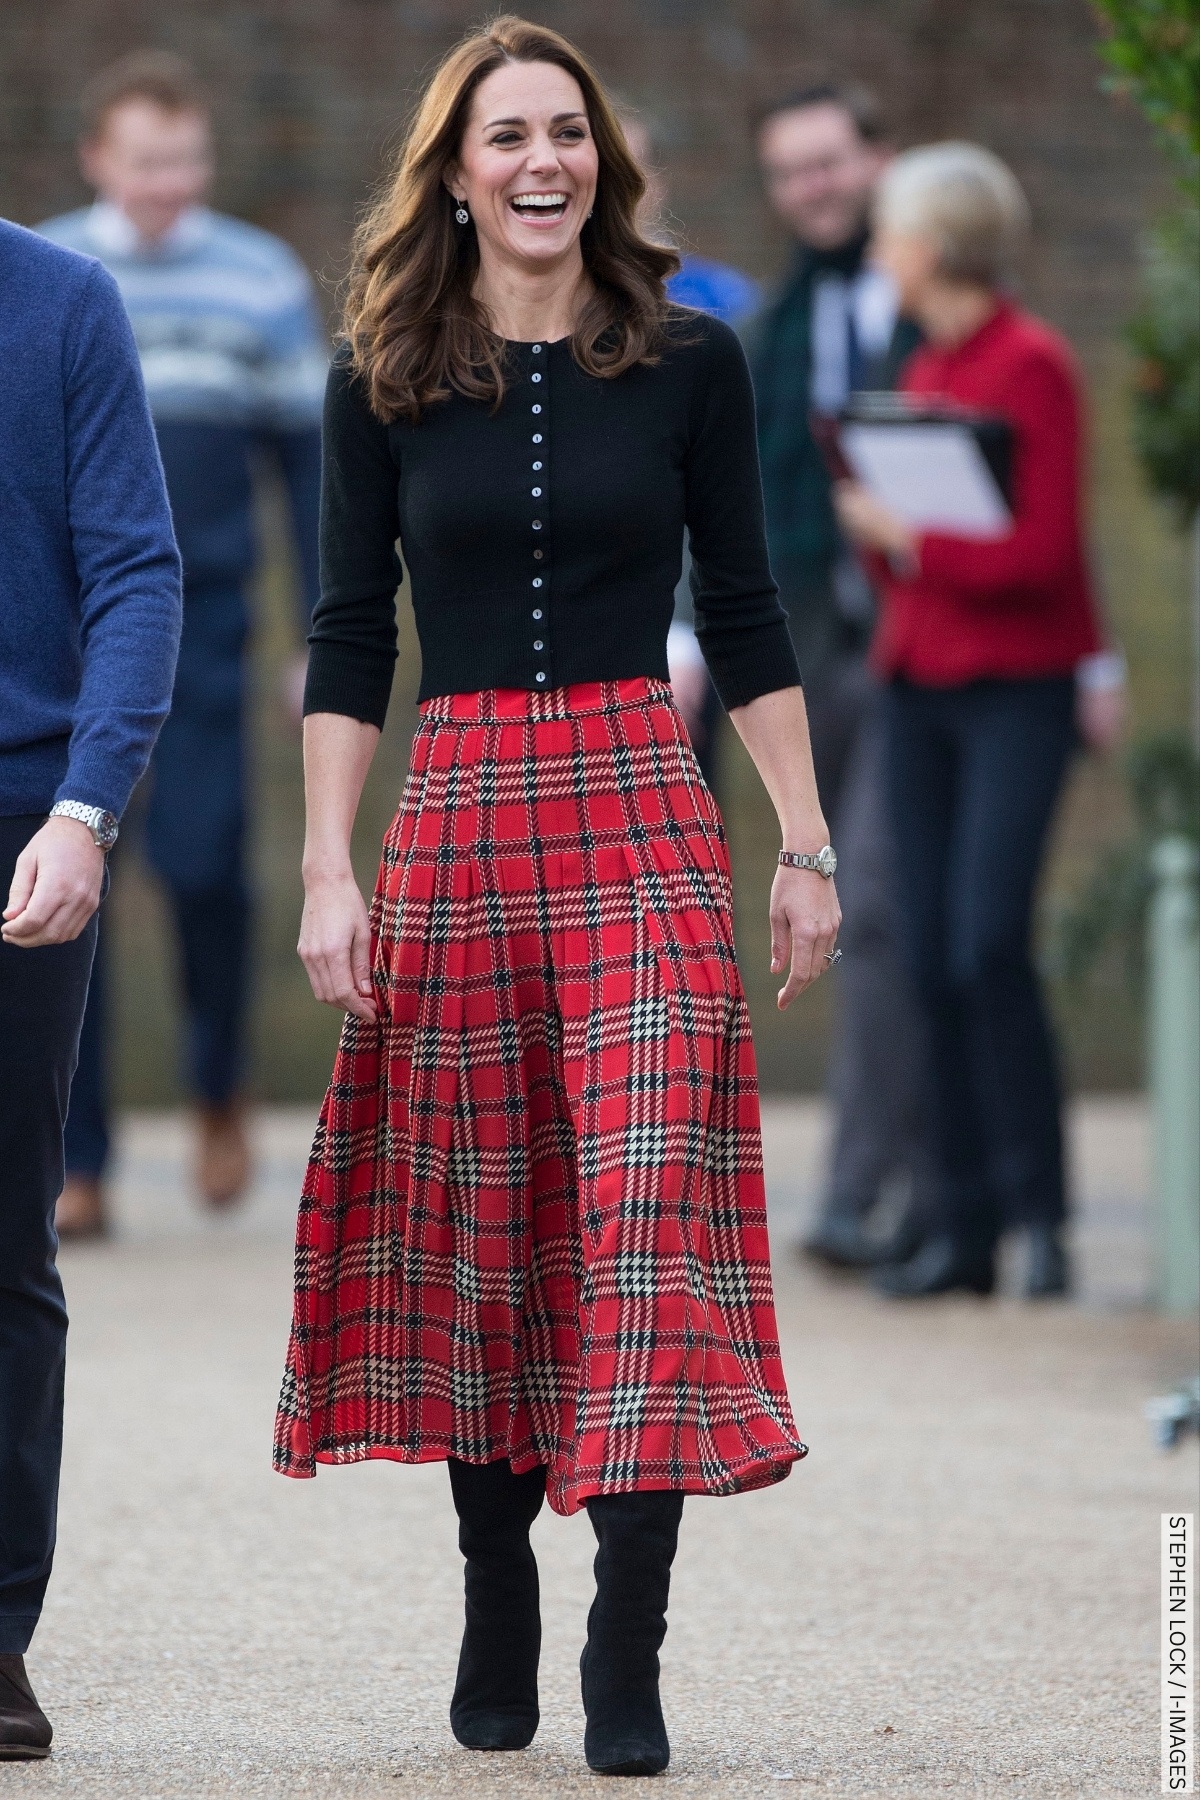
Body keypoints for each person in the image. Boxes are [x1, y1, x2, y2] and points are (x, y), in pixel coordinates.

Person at [273, 16, 839, 1777]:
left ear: (602, 161)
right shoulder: (377, 370)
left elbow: (744, 610)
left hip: (642, 813)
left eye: (568, 133)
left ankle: (628, 1642)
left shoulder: (692, 359)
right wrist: (325, 869)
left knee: (650, 1208)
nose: (542, 161)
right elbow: (350, 633)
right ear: (454, 170)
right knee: (486, 1227)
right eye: (507, 134)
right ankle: (495, 1589)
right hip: (454, 821)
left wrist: (807, 843)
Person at [40, 52, 327, 1230]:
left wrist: (317, 632)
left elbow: (312, 471)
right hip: (65, 630)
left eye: (188, 158)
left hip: (206, 621)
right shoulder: (53, 276)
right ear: (100, 161)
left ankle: (216, 1084)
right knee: (65, 878)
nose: (171, 181)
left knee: (205, 866)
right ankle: (84, 1155)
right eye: (147, 159)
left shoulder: (259, 280)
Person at [835, 142, 1125, 1299]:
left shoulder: (1030, 365)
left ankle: (1037, 1214)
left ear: (934, 244)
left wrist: (906, 534)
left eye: (890, 233)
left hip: (1016, 690)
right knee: (923, 961)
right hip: (923, 686)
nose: (878, 255)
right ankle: (956, 1223)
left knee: (986, 947)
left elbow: (1042, 552)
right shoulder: (932, 370)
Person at [0, 217, 181, 1756]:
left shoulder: (63, 305)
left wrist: (85, 806)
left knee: (1, 1240)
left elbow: (136, 571)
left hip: (19, 826)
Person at [747, 80, 933, 1269]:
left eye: (832, 162)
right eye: (791, 170)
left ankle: (879, 1188)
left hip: (930, 652)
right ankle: (888, 1189)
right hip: (819, 655)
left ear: (881, 158)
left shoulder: (939, 304)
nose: (816, 187)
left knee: (897, 911)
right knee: (872, 909)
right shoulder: (776, 330)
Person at [620, 109, 761, 795]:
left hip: (682, 629)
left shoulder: (723, 310)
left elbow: (721, 491)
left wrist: (681, 632)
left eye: (636, 168)